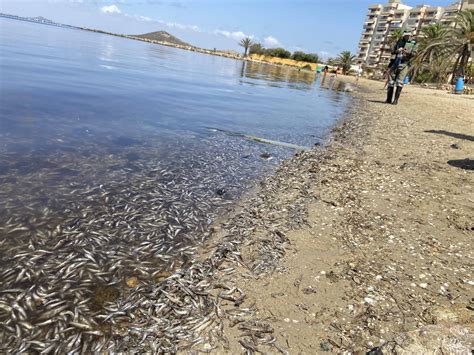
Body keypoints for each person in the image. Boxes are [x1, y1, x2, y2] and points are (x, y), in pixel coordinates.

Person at [386, 31, 416, 105]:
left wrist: (407, 52)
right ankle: (388, 99)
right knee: (391, 82)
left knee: (400, 82)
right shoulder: (398, 42)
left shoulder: (414, 44)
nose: (407, 37)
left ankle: (395, 100)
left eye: (408, 35)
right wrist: (397, 50)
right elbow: (392, 51)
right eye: (406, 35)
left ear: (411, 36)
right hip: (394, 63)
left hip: (404, 64)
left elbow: (415, 53)